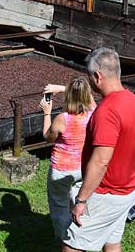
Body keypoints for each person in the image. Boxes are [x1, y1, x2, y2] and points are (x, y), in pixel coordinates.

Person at [63, 47, 135, 252]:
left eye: (91, 78)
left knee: (72, 250)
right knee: (112, 243)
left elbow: (100, 161)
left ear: (98, 76)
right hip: (129, 189)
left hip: (105, 194)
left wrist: (81, 201)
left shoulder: (106, 112)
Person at [40, 77, 96, 239]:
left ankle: (64, 240)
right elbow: (89, 96)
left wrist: (47, 112)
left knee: (59, 206)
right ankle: (79, 233)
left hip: (62, 170)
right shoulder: (93, 113)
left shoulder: (62, 119)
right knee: (78, 200)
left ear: (69, 96)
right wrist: (63, 87)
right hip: (83, 168)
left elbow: (47, 137)